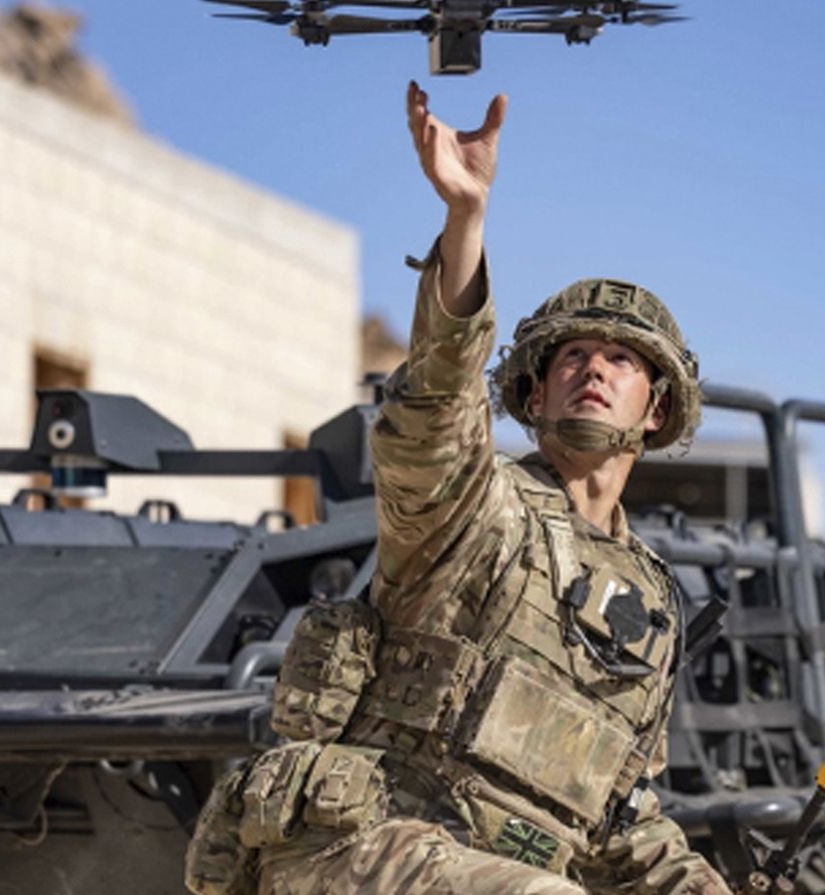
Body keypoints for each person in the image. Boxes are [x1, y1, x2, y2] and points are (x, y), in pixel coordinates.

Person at [185, 83, 731, 895]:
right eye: (569, 358)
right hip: (365, 845)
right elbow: (434, 412)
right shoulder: (475, 510)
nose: (592, 369)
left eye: (621, 361)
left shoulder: (651, 600)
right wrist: (465, 219)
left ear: (656, 411)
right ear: (533, 397)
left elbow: (624, 820)